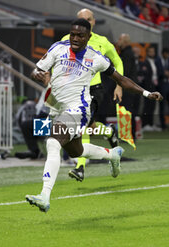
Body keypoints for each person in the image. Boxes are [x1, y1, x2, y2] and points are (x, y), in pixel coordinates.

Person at [25, 18, 163, 212]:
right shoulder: (58, 48)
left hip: (78, 109)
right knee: (76, 151)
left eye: (80, 35)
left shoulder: (96, 58)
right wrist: (37, 74)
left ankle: (44, 195)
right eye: (73, 34)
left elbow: (121, 80)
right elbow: (36, 71)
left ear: (88, 37)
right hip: (57, 107)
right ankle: (112, 154)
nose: (75, 38)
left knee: (53, 142)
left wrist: (146, 93)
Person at [61, 8, 124, 182]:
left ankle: (80, 167)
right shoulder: (66, 41)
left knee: (82, 126)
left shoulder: (102, 42)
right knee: (89, 126)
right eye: (82, 19)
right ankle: (109, 133)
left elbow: (117, 61)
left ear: (93, 22)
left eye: (88, 19)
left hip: (94, 90)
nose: (86, 22)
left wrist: (119, 85)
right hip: (73, 90)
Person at [117, 34, 139, 139]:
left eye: (120, 39)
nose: (118, 41)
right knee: (128, 111)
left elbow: (125, 72)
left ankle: (128, 135)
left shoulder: (127, 54)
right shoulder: (128, 53)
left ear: (125, 41)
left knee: (127, 111)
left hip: (127, 88)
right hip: (130, 87)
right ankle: (128, 134)